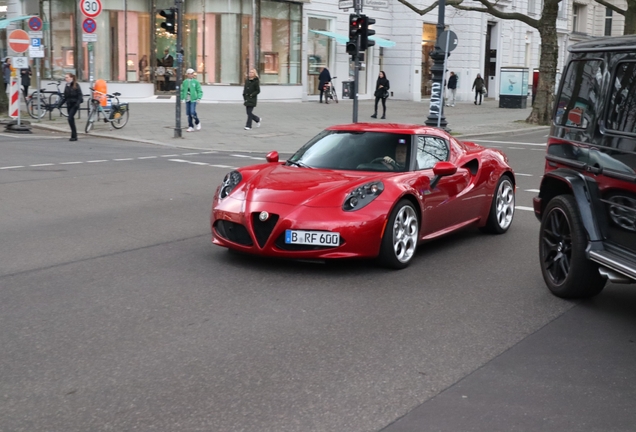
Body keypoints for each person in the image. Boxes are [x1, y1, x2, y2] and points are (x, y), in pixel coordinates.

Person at [58, 73, 83, 142]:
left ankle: (74, 135)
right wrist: (60, 104)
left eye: (67, 77)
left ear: (71, 78)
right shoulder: (67, 86)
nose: (65, 79)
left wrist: (77, 103)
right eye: (65, 77)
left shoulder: (76, 85)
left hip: (75, 105)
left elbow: (80, 96)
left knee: (70, 118)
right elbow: (65, 97)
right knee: (71, 120)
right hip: (69, 104)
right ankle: (74, 135)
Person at [181, 68, 203, 132]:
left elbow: (199, 90)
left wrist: (199, 98)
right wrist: (182, 98)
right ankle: (191, 126)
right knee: (188, 113)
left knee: (192, 112)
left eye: (192, 74)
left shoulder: (196, 82)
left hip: (193, 99)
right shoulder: (185, 82)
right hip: (187, 99)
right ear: (187, 74)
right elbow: (182, 91)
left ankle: (197, 122)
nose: (191, 75)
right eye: (190, 74)